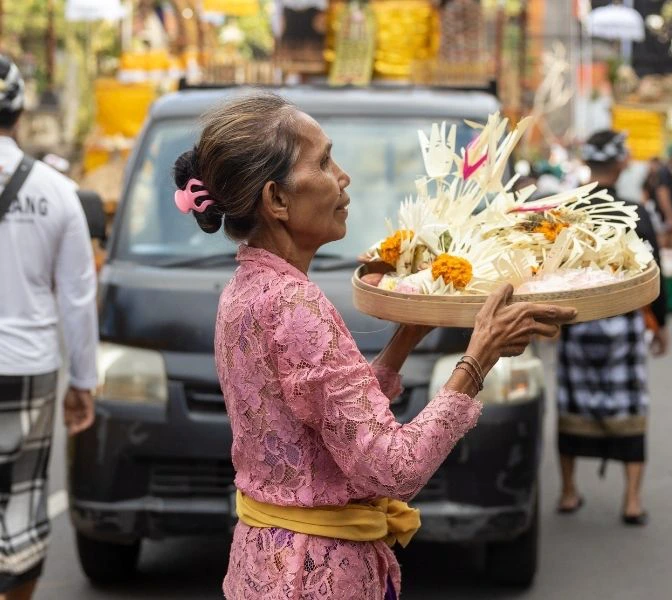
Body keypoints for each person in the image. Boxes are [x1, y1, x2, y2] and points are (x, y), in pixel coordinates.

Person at [172, 92, 576, 600]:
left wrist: (405, 336)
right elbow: (392, 467)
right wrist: (478, 360)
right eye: (322, 162)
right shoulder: (296, 304)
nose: (342, 177)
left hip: (265, 566)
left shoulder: (248, 288)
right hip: (312, 575)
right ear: (276, 200)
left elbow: (323, 423)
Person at [0, 55, 97, 600]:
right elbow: (78, 296)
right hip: (29, 366)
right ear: (19, 110)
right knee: (21, 504)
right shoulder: (57, 192)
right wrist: (82, 382)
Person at [557, 130, 669, 527]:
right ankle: (632, 500)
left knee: (572, 406)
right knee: (630, 408)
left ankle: (569, 491)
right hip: (624, 324)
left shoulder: (569, 210)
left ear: (588, 161)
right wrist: (663, 325)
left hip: (577, 321)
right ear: (621, 162)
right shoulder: (634, 211)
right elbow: (655, 273)